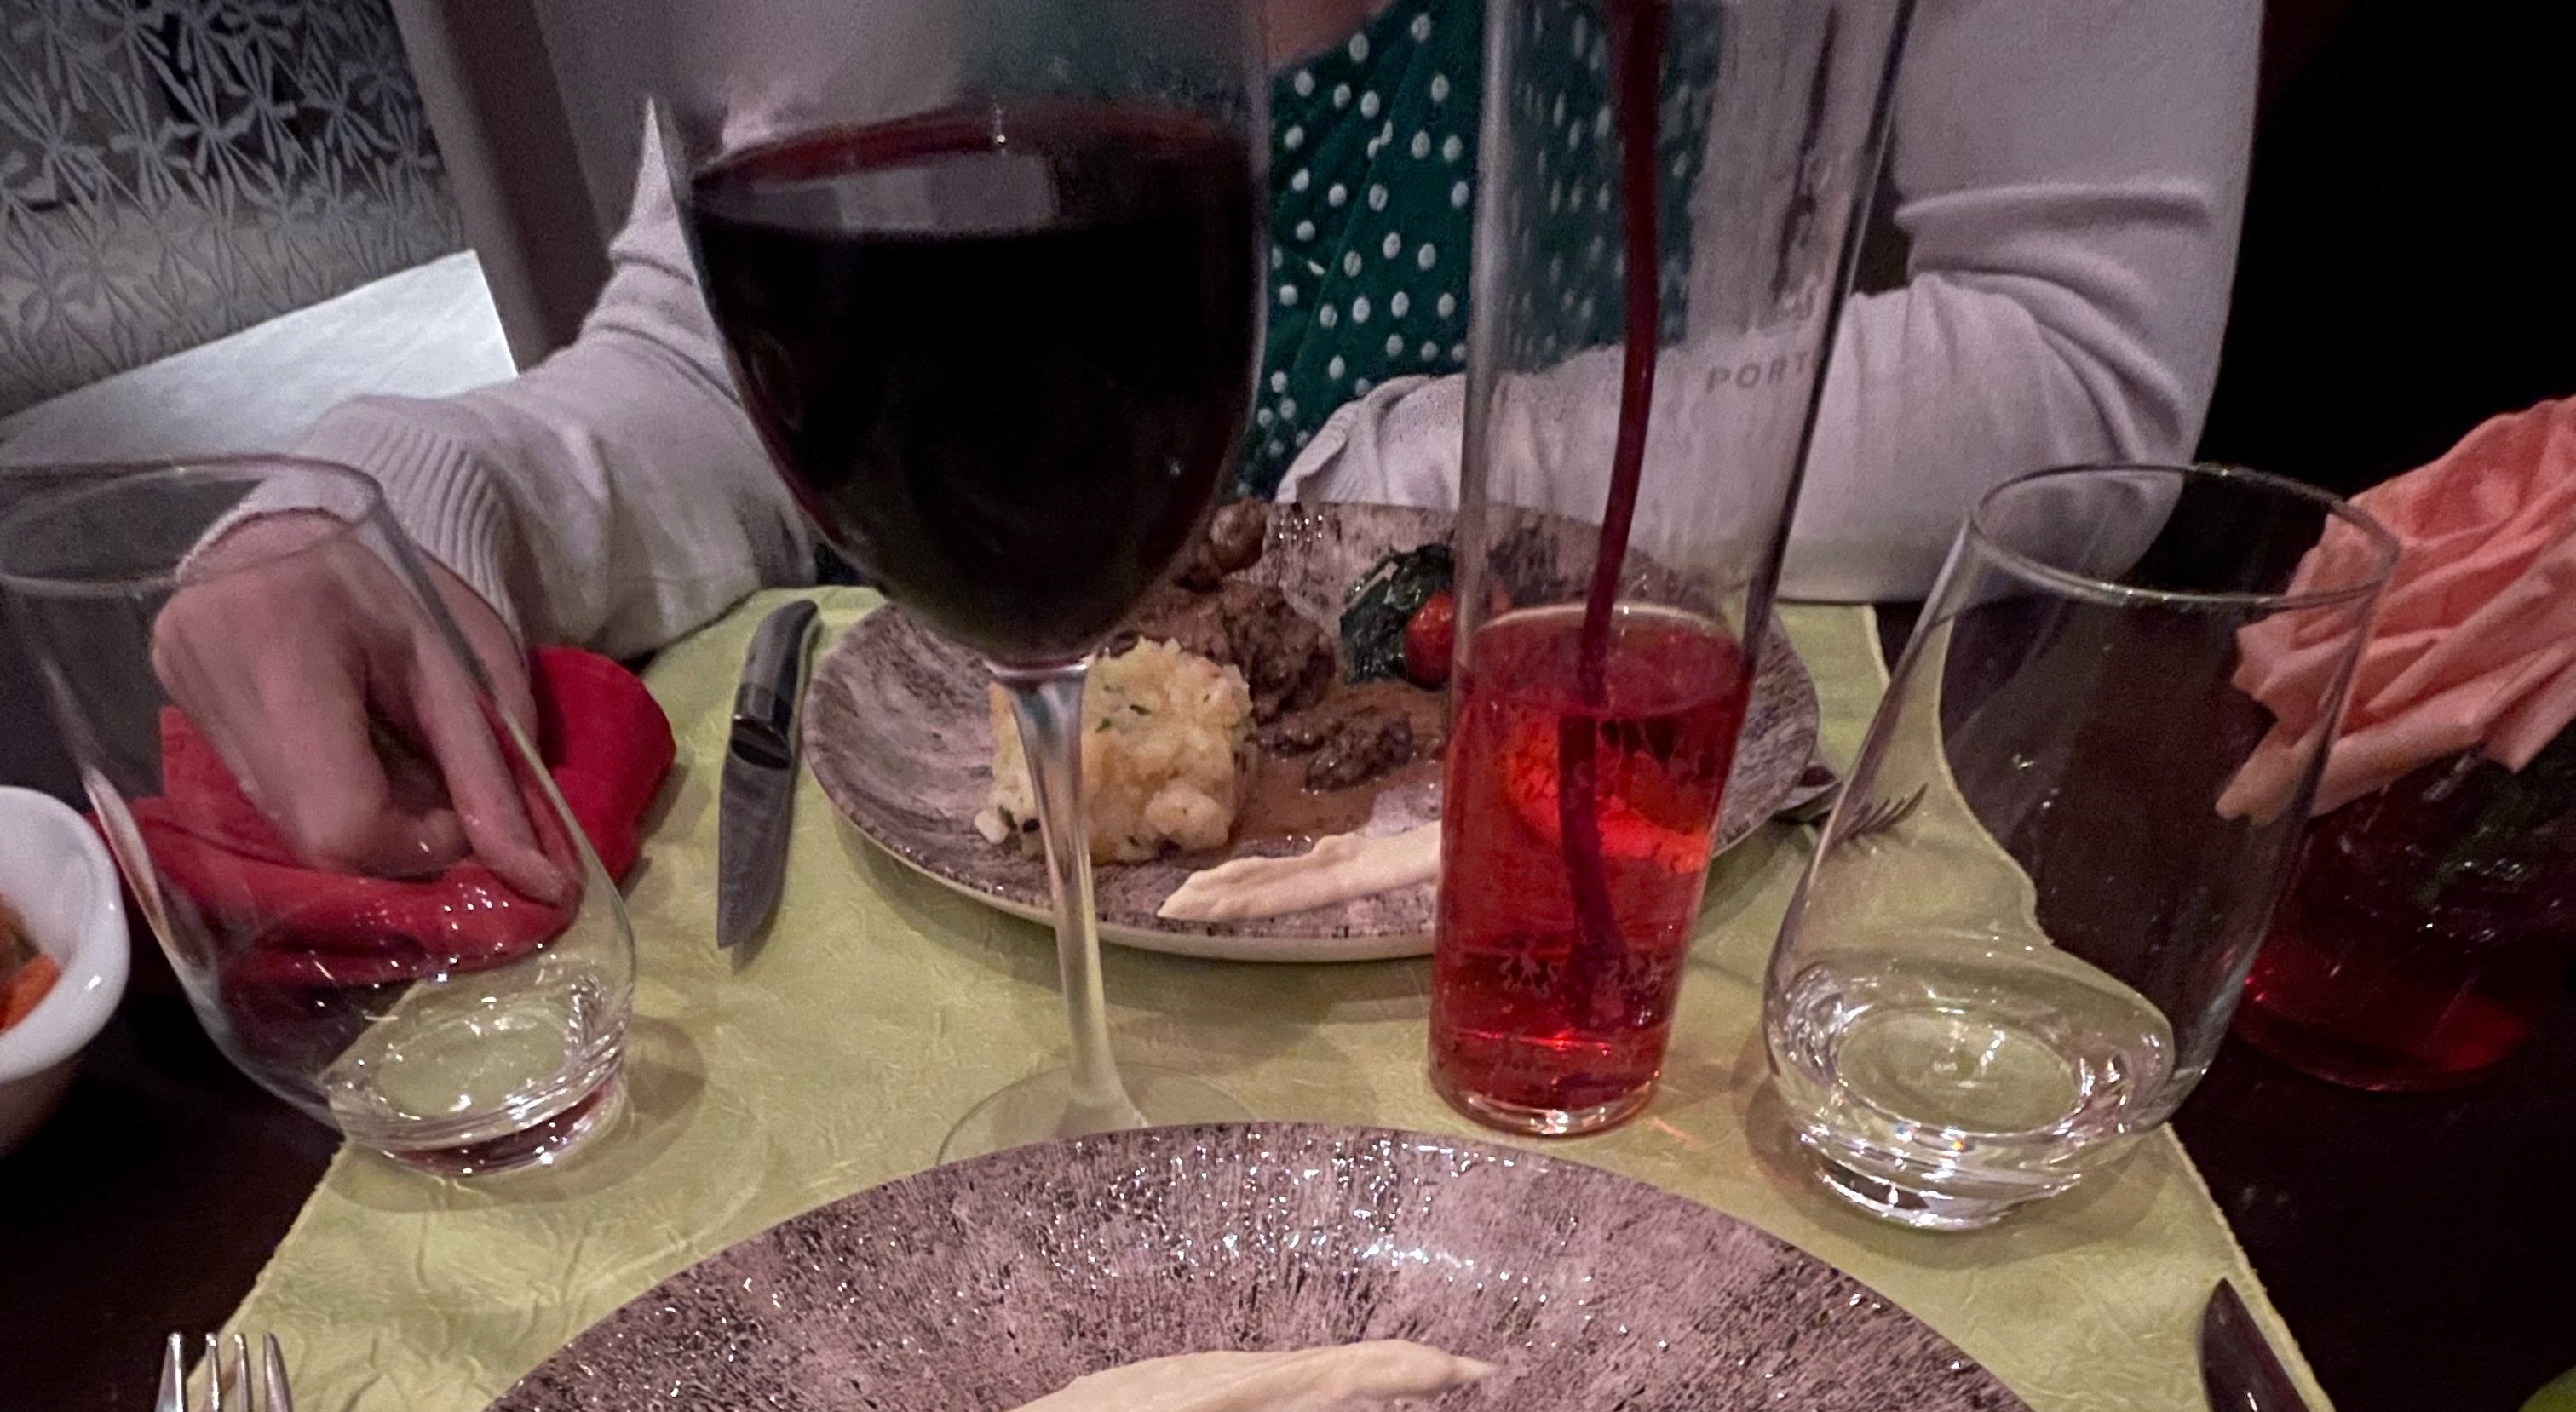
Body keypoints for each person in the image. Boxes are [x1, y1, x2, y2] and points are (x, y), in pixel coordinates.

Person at [166, 0, 2257, 898]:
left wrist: (1409, 474)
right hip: (970, 872)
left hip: (1619, 859)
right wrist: (424, 490)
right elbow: (747, 363)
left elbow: (2071, 360)